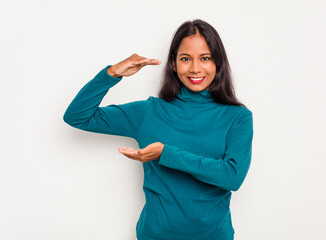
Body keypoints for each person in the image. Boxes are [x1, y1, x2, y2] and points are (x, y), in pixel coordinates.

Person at [63, 19, 253, 240]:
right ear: (173, 63)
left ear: (218, 63)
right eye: (185, 59)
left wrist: (166, 154)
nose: (195, 68)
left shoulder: (237, 117)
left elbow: (232, 177)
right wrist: (112, 73)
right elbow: (77, 116)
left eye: (205, 58)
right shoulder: (148, 112)